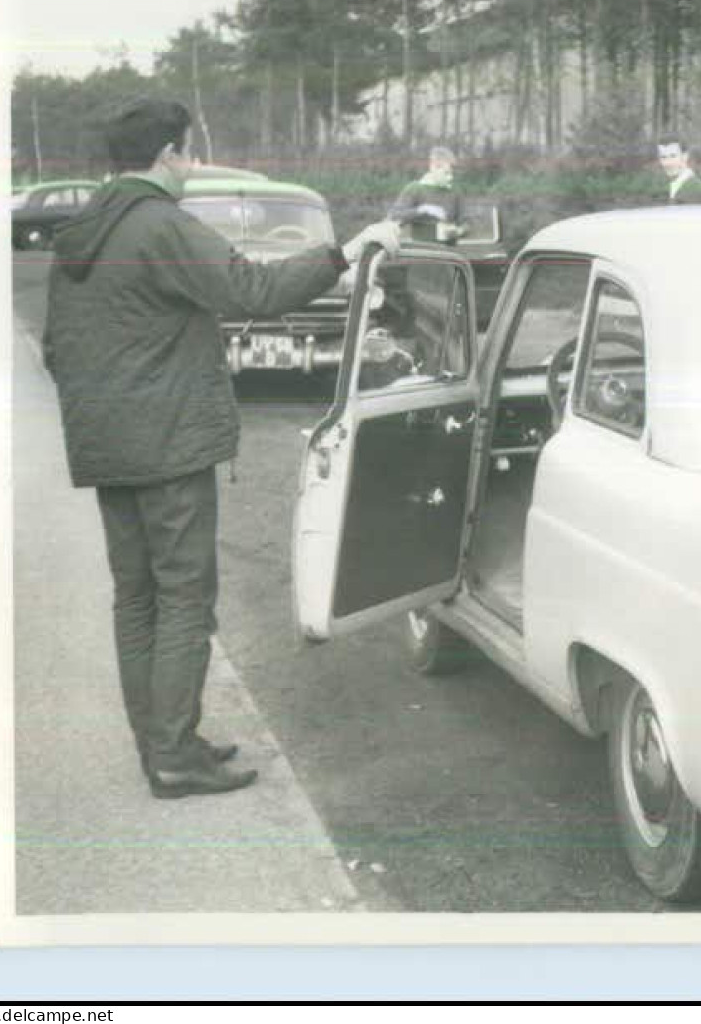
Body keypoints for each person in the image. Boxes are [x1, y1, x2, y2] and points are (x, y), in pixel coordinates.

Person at [42, 98, 401, 799]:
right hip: (169, 448)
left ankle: (161, 741)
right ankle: (174, 754)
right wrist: (346, 252)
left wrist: (110, 409)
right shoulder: (162, 226)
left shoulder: (82, 234)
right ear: (167, 156)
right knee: (185, 598)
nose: (194, 165)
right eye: (190, 153)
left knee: (137, 597)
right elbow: (256, 290)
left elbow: (58, 348)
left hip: (109, 447)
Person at [389, 145, 463, 241]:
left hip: (448, 251)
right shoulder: (415, 188)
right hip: (421, 249)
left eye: (450, 173)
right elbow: (395, 215)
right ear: (433, 166)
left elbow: (466, 222)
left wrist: (458, 231)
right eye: (446, 172)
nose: (450, 177)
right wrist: (422, 210)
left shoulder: (455, 191)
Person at [655, 133, 701, 204]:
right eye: (663, 157)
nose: (667, 163)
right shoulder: (668, 186)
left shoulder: (694, 189)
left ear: (685, 156)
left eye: (673, 156)